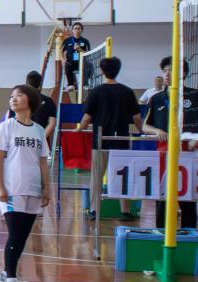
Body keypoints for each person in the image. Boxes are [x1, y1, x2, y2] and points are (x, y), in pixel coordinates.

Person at [0, 84, 51, 282]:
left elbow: (43, 162)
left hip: (33, 189)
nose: (13, 99)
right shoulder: (6, 127)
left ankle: (6, 274)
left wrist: (46, 188)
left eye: (19, 95)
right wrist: (0, 187)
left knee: (23, 236)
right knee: (15, 235)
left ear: (31, 100)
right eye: (11, 96)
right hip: (12, 189)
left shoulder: (38, 130)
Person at [78, 56, 144, 219]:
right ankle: (125, 211)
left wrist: (79, 128)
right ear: (118, 70)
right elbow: (137, 118)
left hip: (101, 141)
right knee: (123, 176)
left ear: (102, 70)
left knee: (96, 177)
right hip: (121, 139)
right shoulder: (127, 91)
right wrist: (142, 131)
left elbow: (86, 118)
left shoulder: (96, 91)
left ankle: (94, 210)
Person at [143, 56, 198, 230]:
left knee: (188, 203)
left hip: (189, 156)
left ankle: (188, 238)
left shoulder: (194, 95)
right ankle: (161, 236)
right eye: (165, 70)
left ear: (183, 74)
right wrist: (156, 131)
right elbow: (144, 126)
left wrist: (196, 139)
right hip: (163, 156)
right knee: (163, 202)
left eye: (171, 70)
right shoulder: (156, 98)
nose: (166, 74)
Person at [23, 70, 57, 148]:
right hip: (41, 143)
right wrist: (41, 139)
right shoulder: (49, 101)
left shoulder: (21, 100)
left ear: (27, 83)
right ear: (40, 84)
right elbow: (52, 124)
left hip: (24, 142)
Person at [61, 22, 91, 92]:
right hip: (70, 63)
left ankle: (85, 84)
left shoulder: (85, 41)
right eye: (75, 28)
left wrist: (79, 49)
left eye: (79, 29)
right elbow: (61, 51)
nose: (77, 30)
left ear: (82, 30)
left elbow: (88, 54)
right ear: (72, 30)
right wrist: (63, 59)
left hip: (82, 63)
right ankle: (71, 85)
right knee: (67, 64)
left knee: (89, 65)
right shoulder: (67, 41)